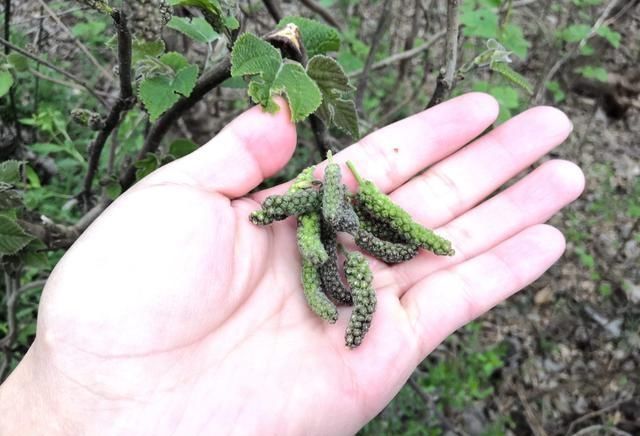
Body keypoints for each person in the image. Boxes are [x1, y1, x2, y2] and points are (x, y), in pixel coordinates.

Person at [0, 93, 584, 435]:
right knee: (353, 244)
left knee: (381, 241)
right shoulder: (319, 224)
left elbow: (365, 238)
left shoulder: (339, 214)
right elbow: (330, 240)